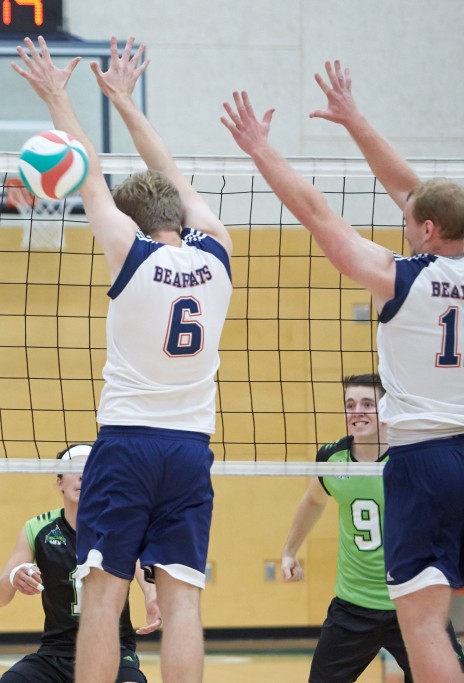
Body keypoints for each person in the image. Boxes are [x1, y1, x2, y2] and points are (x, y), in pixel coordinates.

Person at [222, 61, 464, 681]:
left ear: (428, 231)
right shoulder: (443, 245)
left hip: (425, 460)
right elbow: (419, 193)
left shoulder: (404, 279)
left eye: (411, 221)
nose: (403, 220)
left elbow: (319, 216)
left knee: (424, 624)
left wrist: (260, 151)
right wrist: (355, 120)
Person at [13, 36, 234, 682]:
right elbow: (172, 179)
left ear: (135, 223)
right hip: (191, 448)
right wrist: (127, 103)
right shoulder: (217, 252)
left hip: (128, 445)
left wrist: (59, 94)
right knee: (181, 599)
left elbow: (85, 173)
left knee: (105, 600)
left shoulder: (129, 253)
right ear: (180, 216)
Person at [281, 373, 463, 682]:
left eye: (368, 403)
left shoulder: (410, 459)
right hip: (352, 608)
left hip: (411, 602)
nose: (357, 411)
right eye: (350, 405)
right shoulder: (332, 459)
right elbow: (313, 501)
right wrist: (289, 552)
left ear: (387, 409)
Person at [0, 444, 161, 683]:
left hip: (113, 650)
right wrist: (14, 577)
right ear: (59, 481)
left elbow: (142, 569)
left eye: (89, 469)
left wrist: (152, 596)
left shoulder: (121, 527)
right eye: (73, 469)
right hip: (55, 654)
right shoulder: (37, 529)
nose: (82, 475)